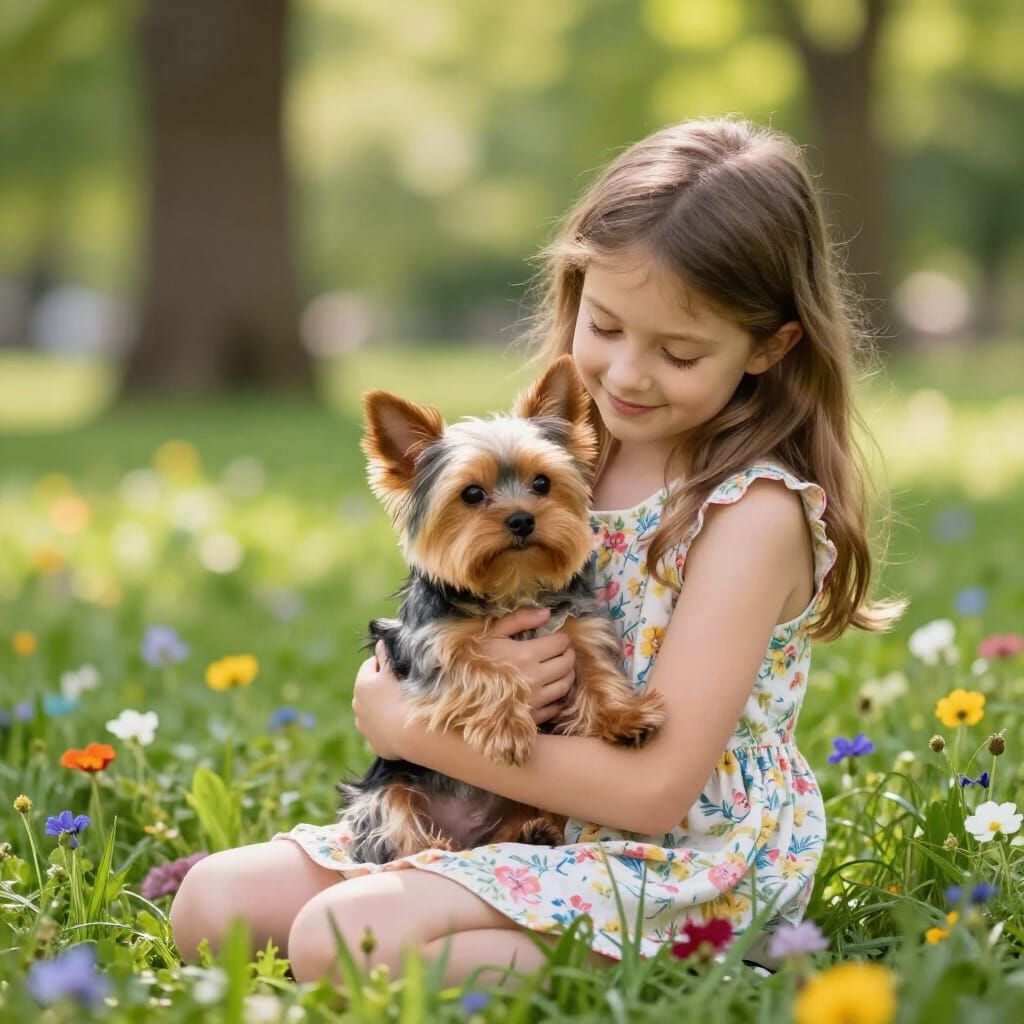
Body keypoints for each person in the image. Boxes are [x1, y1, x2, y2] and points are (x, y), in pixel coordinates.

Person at [169, 117, 904, 987]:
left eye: (677, 352)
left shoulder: (753, 512)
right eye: (606, 325)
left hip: (667, 862)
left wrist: (405, 726)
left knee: (337, 938)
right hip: (503, 809)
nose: (627, 375)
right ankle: (442, 938)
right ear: (575, 285)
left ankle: (702, 975)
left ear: (770, 346)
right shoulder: (566, 455)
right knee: (211, 904)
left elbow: (653, 792)